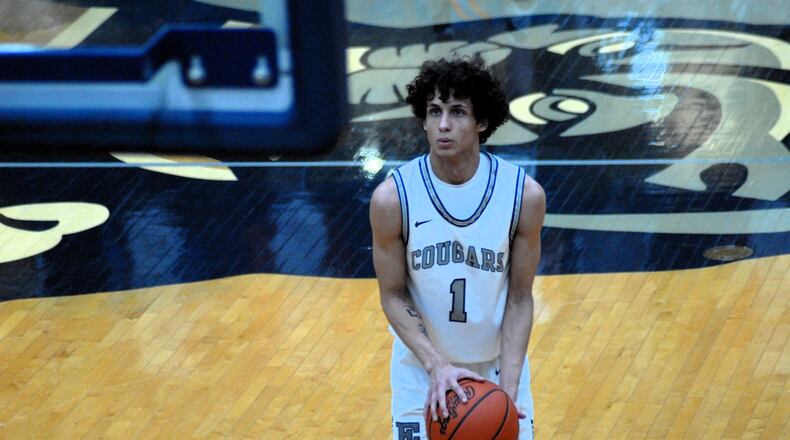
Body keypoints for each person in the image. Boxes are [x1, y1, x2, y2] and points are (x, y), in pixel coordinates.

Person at [369, 56, 545, 440]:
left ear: (482, 122)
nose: (443, 125)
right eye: (434, 111)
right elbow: (393, 295)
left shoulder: (523, 196)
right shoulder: (392, 199)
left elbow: (519, 297)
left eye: (458, 112)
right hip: (422, 369)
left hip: (498, 367)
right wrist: (436, 367)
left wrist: (509, 390)